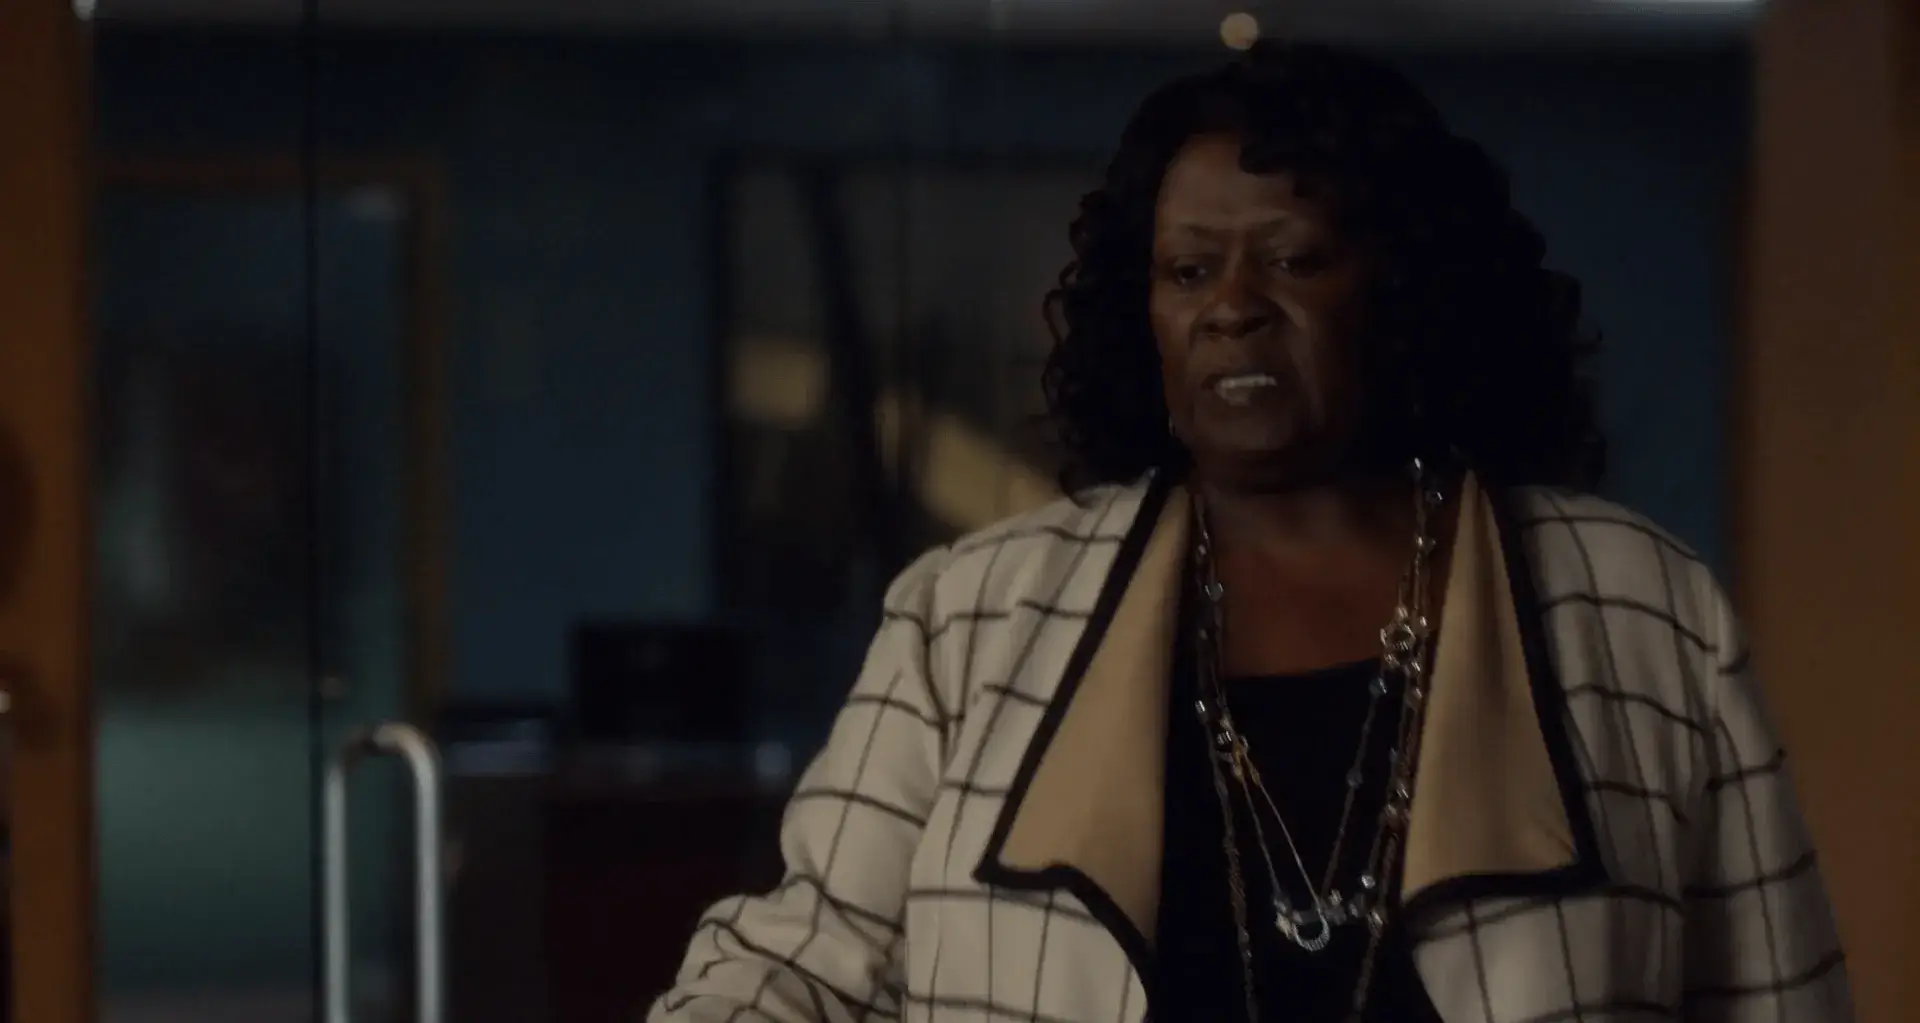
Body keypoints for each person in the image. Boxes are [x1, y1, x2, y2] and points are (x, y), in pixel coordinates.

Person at [649, 41, 1851, 1023]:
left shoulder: (1641, 609)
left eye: (1292, 259)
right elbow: (800, 969)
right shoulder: (973, 615)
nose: (1231, 307)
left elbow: (1779, 998)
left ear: (1405, 287)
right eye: (1188, 271)